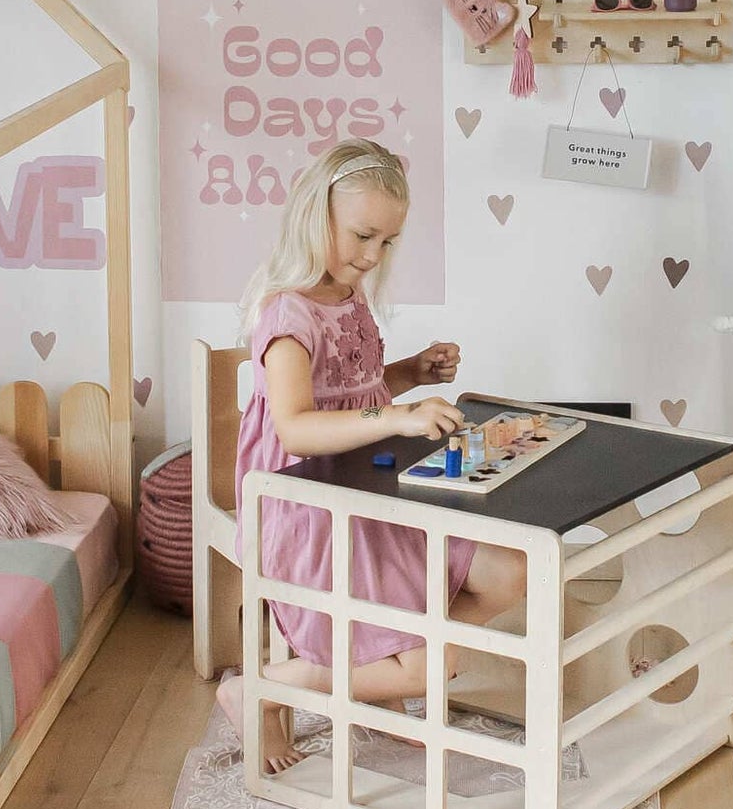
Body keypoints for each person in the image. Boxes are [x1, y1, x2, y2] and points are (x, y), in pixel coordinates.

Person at [215, 138, 527, 770]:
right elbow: (299, 429)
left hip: (374, 486)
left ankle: (380, 665)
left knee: (512, 570)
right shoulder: (286, 315)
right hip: (308, 509)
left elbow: (356, 391)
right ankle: (271, 690)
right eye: (361, 236)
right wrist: (396, 415)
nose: (371, 255)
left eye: (386, 242)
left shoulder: (349, 299)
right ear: (315, 217)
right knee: (433, 665)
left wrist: (409, 374)